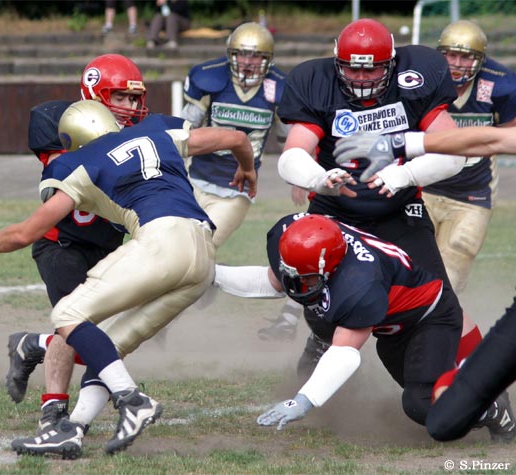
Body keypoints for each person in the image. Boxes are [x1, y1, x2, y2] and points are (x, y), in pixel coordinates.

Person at [0, 100, 256, 458]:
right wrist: (247, 170)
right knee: (107, 348)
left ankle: (132, 401)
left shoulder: (80, 162)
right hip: (203, 250)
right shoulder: (156, 132)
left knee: (67, 314)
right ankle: (71, 430)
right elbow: (237, 138)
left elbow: (27, 233)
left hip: (162, 240)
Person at [273, 18, 485, 386]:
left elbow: (455, 152)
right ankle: (323, 338)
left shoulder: (417, 78)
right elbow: (293, 154)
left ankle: (485, 378)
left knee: (442, 303)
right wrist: (320, 179)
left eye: (371, 68)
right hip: (336, 212)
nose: (361, 78)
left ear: (391, 64)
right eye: (352, 68)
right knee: (320, 299)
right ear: (337, 63)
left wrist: (406, 174)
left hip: (398, 211)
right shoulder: (316, 82)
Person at [213, 213, 514, 441]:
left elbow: (344, 352)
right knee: (319, 309)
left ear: (330, 266)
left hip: (429, 318)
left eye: (306, 277)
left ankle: (493, 409)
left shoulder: (359, 284)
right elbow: (275, 281)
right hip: (390, 326)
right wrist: (210, 276)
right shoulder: (296, 237)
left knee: (422, 404)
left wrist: (304, 401)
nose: (296, 283)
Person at [333, 126, 516, 442]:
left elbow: (487, 141)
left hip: (445, 201)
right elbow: (492, 139)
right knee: (437, 408)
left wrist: (401, 149)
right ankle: (489, 401)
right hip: (400, 202)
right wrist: (403, 143)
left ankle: (488, 401)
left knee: (440, 301)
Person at [6, 54, 149, 438]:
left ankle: (31, 344)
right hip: (62, 245)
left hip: (109, 248)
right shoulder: (59, 122)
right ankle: (52, 411)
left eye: (134, 99)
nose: (130, 106)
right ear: (95, 93)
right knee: (78, 327)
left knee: (108, 341)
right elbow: (60, 182)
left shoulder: (138, 133)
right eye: (121, 97)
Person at [179, 21, 301, 341]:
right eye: (242, 54)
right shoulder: (211, 79)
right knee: (178, 246)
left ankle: (203, 284)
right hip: (196, 179)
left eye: (256, 56)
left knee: (199, 246)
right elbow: (185, 127)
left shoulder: (278, 88)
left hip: (237, 189)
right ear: (231, 55)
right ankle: (199, 286)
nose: (248, 62)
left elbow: (288, 138)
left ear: (268, 59)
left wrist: (297, 175)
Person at [420, 20, 516, 295]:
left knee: (450, 276)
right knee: (410, 267)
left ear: (480, 60)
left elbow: (510, 137)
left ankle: (444, 320)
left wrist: (472, 142)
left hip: (471, 194)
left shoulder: (501, 85)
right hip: (423, 186)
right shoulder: (425, 80)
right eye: (451, 55)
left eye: (465, 57)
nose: (456, 64)